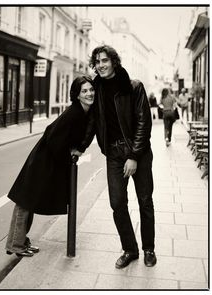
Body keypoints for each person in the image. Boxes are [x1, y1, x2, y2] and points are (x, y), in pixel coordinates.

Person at [78, 45, 156, 268]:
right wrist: (81, 147)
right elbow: (93, 122)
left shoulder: (134, 87)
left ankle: (149, 248)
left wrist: (133, 155)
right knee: (117, 203)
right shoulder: (97, 89)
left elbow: (144, 123)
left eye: (104, 60)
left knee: (145, 200)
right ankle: (130, 249)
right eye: (97, 62)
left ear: (114, 61)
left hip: (137, 154)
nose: (100, 65)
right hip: (113, 154)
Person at [5, 76, 95, 257]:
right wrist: (69, 153)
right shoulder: (74, 113)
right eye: (84, 91)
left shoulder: (84, 112)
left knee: (28, 200)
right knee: (25, 200)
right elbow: (53, 137)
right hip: (42, 160)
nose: (89, 94)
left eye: (91, 90)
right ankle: (15, 244)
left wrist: (77, 149)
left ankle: (20, 241)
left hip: (48, 159)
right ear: (77, 95)